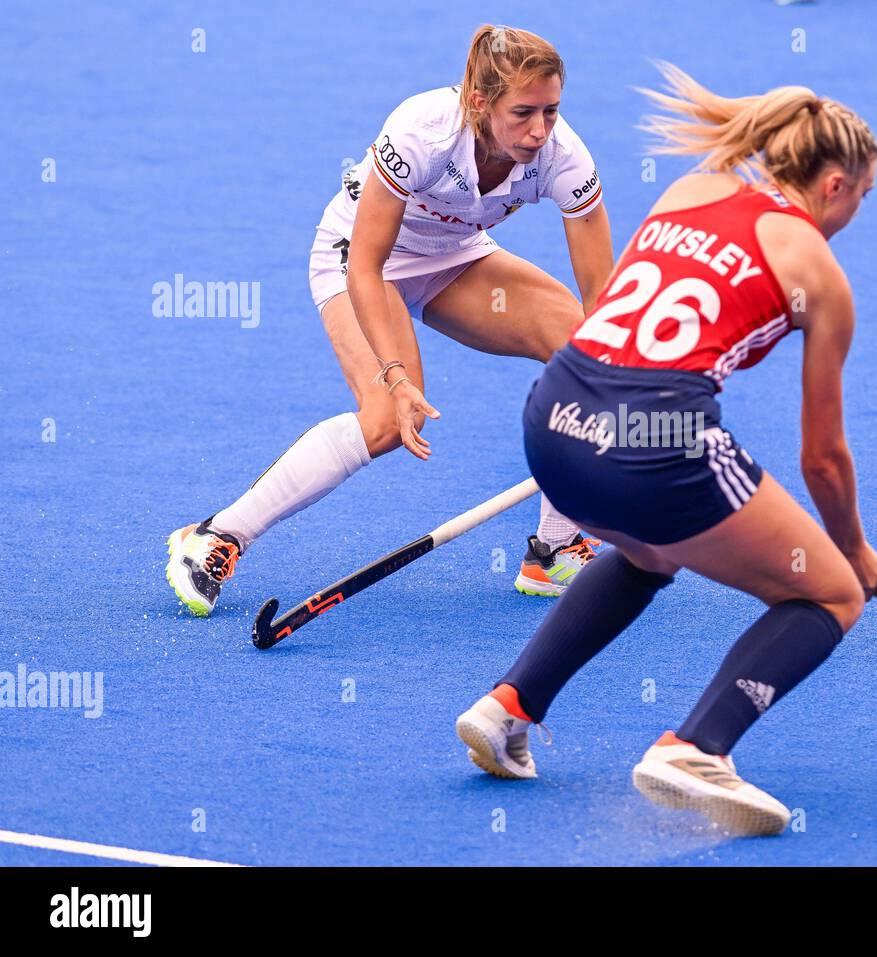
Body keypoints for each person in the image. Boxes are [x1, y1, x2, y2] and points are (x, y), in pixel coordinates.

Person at [455, 62, 877, 836]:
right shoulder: (820, 272)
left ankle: (509, 706)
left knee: (651, 552)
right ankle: (696, 748)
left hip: (552, 413)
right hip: (656, 447)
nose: (859, 211)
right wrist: (855, 550)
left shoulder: (694, 188)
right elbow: (824, 457)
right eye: (863, 196)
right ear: (833, 186)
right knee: (829, 594)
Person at [166, 25, 613, 616]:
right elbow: (368, 266)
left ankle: (556, 549)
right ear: (479, 103)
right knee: (383, 421)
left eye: (552, 111)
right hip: (358, 259)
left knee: (585, 350)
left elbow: (604, 298)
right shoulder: (421, 131)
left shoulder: (563, 157)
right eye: (523, 112)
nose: (540, 130)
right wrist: (398, 377)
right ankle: (216, 536)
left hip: (455, 257)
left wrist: (625, 369)